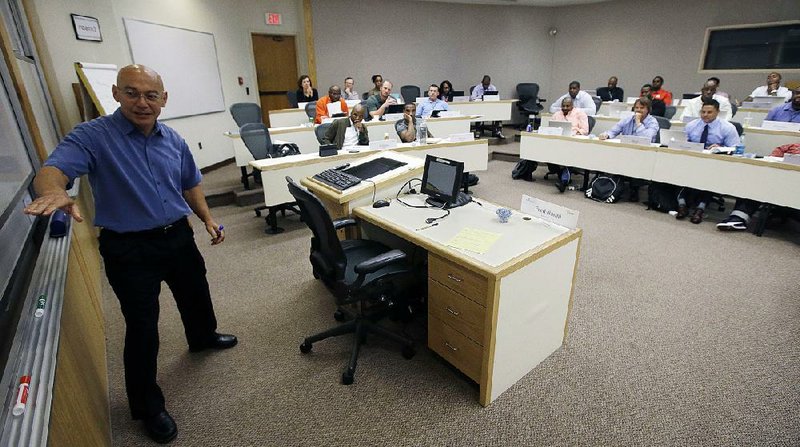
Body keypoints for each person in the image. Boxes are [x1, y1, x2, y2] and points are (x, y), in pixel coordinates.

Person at [22, 65, 237, 444]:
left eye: (151, 95)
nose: (142, 102)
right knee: (142, 326)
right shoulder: (93, 136)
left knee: (195, 293)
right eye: (132, 92)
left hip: (177, 236)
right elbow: (53, 170)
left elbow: (191, 184)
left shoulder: (173, 139)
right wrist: (52, 190)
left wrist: (206, 219)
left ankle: (202, 336)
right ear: (116, 93)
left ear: (163, 99)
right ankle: (147, 407)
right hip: (129, 247)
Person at [717, 88, 800, 231]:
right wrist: (776, 158)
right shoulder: (778, 111)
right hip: (783, 168)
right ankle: (738, 218)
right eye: (797, 93)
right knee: (756, 178)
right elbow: (778, 146)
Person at [677, 99, 740, 224]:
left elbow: (737, 148)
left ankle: (700, 209)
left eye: (709, 112)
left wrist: (721, 148)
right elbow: (682, 142)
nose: (705, 115)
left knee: (707, 180)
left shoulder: (727, 127)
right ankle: (682, 206)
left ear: (717, 112)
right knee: (682, 176)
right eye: (703, 112)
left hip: (714, 165)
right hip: (692, 161)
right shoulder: (692, 125)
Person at [599, 97, 660, 201]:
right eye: (636, 108)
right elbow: (614, 130)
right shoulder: (627, 119)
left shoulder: (653, 122)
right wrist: (606, 135)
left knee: (636, 160)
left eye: (642, 108)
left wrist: (638, 123)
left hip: (644, 153)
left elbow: (647, 138)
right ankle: (615, 185)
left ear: (648, 110)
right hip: (626, 151)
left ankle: (634, 189)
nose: (638, 110)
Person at [550, 97, 589, 192]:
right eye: (563, 106)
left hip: (573, 142)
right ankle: (562, 175)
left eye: (567, 106)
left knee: (568, 156)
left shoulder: (580, 114)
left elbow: (585, 130)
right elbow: (551, 128)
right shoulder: (556, 114)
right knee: (548, 152)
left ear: (572, 106)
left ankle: (563, 181)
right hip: (558, 142)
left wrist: (574, 133)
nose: (565, 108)